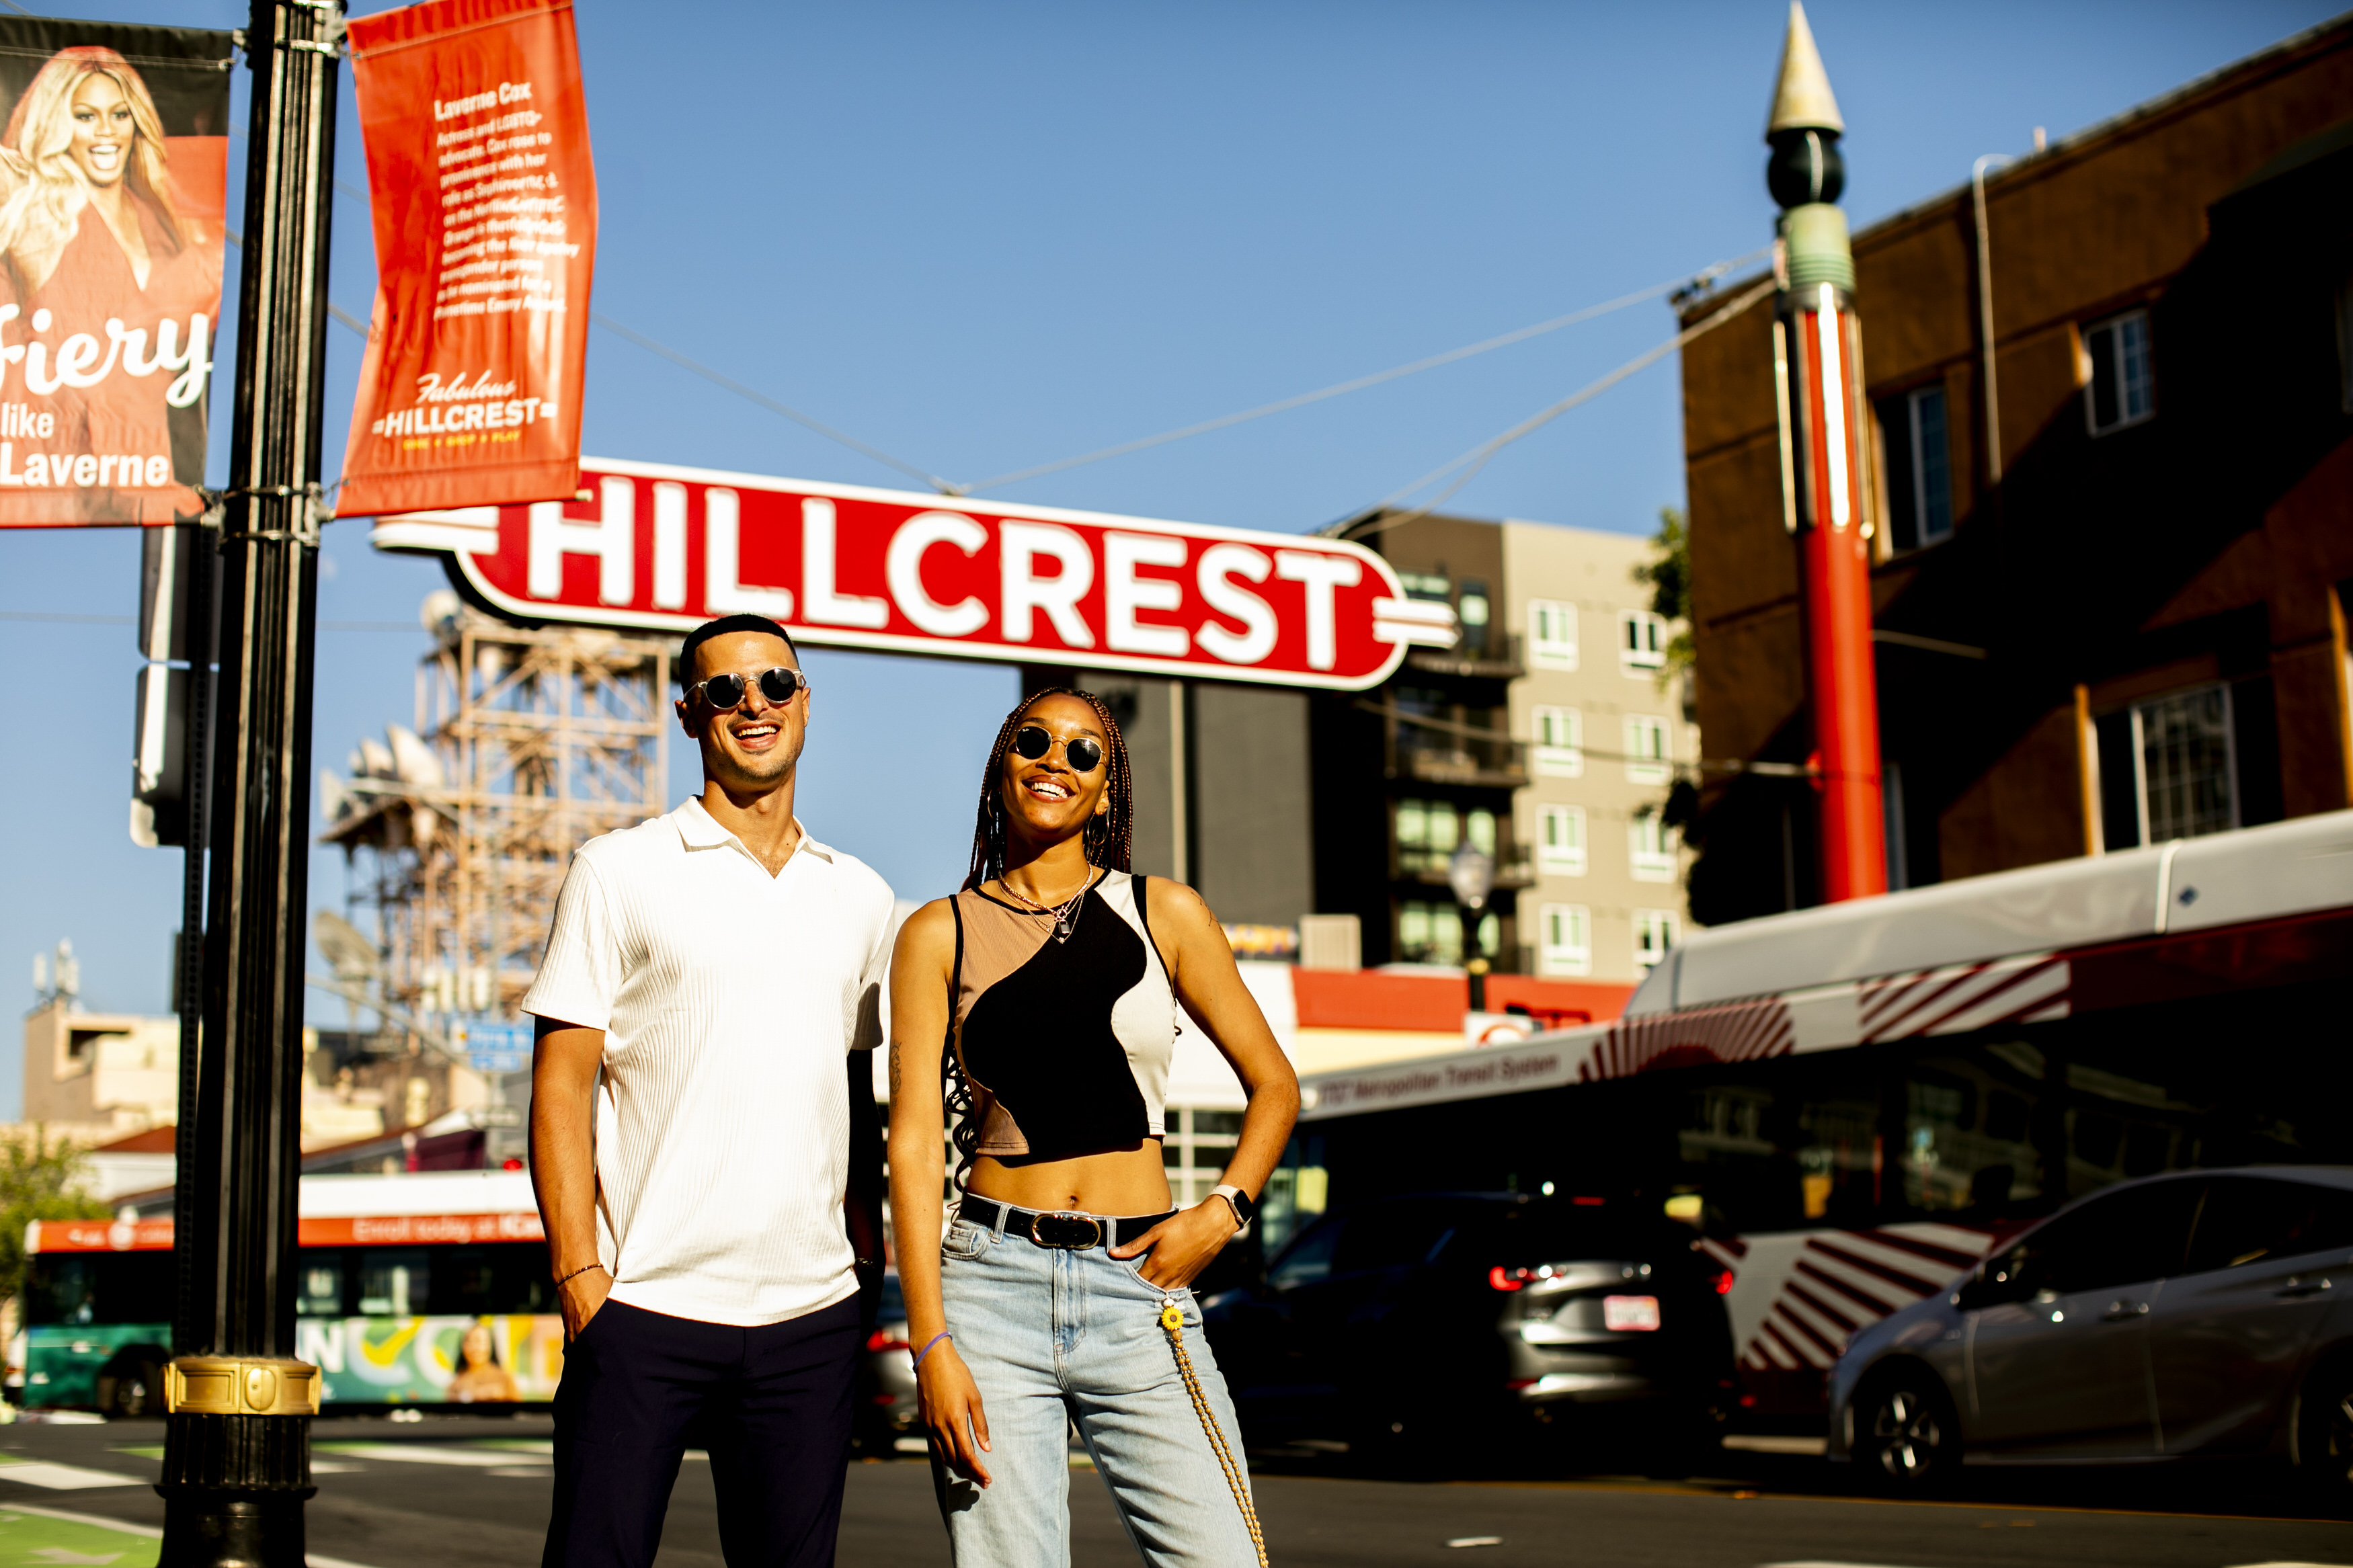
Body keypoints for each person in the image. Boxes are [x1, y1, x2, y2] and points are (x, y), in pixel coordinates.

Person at [887, 688, 1301, 1567]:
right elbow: (915, 1146)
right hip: (988, 1293)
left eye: (1085, 753)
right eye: (1033, 741)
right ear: (1003, 766)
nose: (1056, 761)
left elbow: (1275, 1086)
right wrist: (931, 1342)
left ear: (1107, 791)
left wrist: (1222, 1211)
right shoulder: (937, 932)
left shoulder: (1165, 913)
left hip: (1140, 1286)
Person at [525, 612, 895, 1568]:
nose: (753, 704)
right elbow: (561, 1086)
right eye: (725, 691)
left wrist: (864, 1267)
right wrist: (580, 1280)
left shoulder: (862, 897)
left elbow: (854, 1097)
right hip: (644, 1306)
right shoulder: (619, 870)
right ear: (691, 714)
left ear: (805, 701)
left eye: (774, 683)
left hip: (810, 1318)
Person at [0, 46, 219, 524]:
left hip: (145, 467)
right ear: (57, 126)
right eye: (85, 116)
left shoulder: (162, 223)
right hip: (52, 464)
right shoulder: (37, 215)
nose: (106, 132)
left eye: (119, 115)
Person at [447, 1318, 522, 1404]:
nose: (475, 1348)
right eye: (469, 1342)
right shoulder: (455, 1386)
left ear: (491, 1346)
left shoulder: (504, 1378)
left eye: (479, 1341)